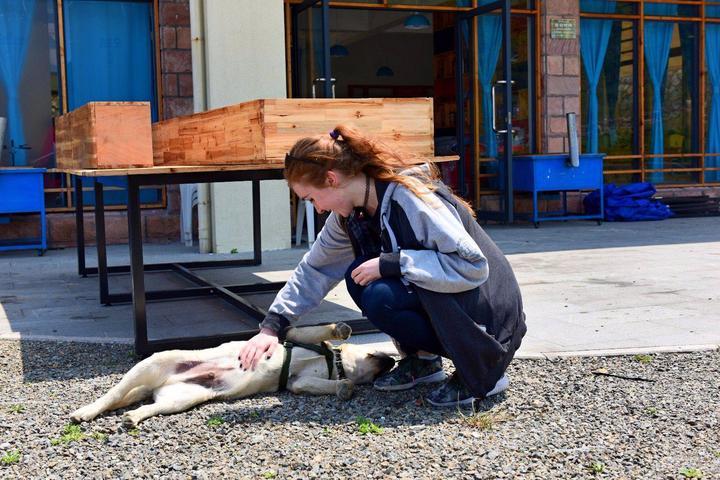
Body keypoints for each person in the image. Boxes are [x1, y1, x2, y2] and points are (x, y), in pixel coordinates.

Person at [238, 125, 526, 407]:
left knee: (380, 293)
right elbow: (316, 268)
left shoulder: (411, 198)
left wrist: (394, 263)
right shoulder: (350, 216)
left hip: (492, 322)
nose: (318, 208)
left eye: (313, 198)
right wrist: (272, 327)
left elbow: (472, 265)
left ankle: (485, 368)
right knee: (359, 276)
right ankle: (423, 361)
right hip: (457, 301)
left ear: (331, 178)